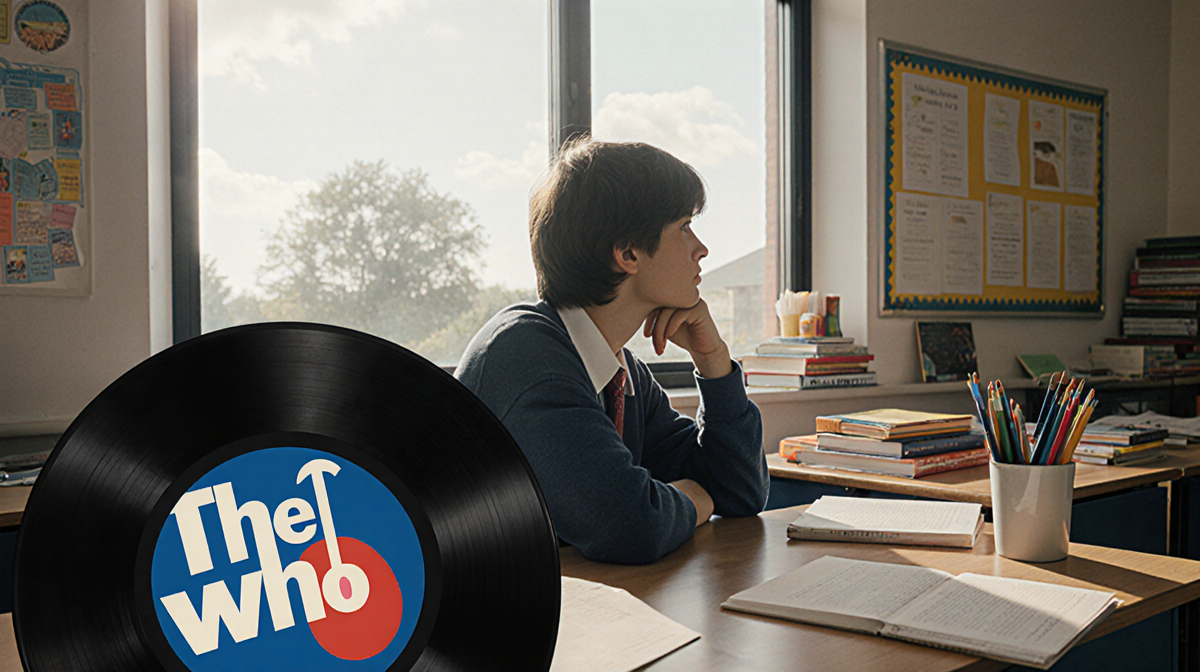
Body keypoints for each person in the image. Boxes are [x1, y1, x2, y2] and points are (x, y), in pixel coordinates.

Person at [456, 138, 768, 564]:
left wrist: (714, 362)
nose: (701, 248)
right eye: (683, 227)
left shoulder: (622, 372)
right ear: (627, 253)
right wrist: (693, 500)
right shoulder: (526, 355)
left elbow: (739, 492)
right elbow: (630, 526)